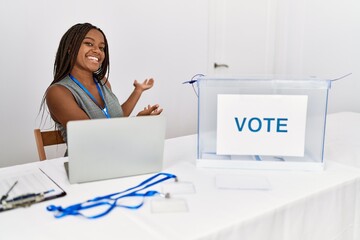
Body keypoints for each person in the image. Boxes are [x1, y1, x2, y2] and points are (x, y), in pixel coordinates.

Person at [42, 23, 162, 146]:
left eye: (101, 48)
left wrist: (138, 91)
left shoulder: (103, 82)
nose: (97, 51)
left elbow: (116, 119)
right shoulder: (58, 92)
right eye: (89, 43)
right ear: (70, 48)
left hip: (118, 154)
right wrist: (136, 124)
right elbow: (93, 137)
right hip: (87, 163)